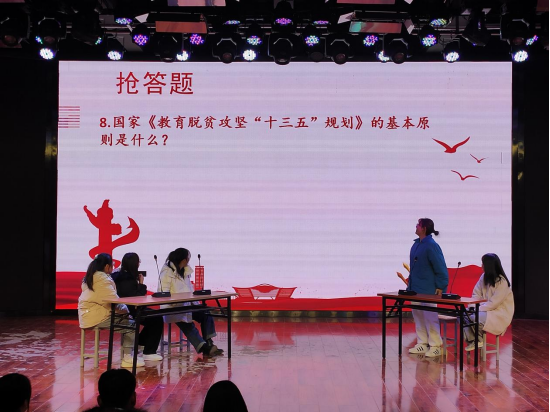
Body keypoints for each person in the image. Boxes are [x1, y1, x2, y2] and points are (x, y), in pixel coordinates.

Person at [78, 253, 144, 368]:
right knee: (132, 324)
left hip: (89, 314)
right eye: (112, 265)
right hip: (96, 316)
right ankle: (127, 358)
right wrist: (127, 313)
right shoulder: (102, 280)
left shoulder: (92, 276)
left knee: (127, 321)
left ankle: (129, 353)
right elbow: (114, 301)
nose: (113, 268)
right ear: (107, 266)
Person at [158, 248, 222, 356]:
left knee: (205, 313)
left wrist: (195, 301)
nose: (188, 261)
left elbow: (189, 289)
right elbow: (163, 294)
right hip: (173, 307)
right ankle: (204, 348)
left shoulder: (186, 271)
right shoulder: (166, 272)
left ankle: (209, 342)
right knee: (186, 323)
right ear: (183, 260)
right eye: (188, 258)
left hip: (187, 305)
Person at [406, 218, 449, 358]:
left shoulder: (431, 246)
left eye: (418, 225)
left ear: (424, 228)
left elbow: (440, 266)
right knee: (418, 316)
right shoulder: (416, 244)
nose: (416, 227)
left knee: (430, 317)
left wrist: (441, 285)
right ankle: (422, 343)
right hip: (415, 289)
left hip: (428, 289)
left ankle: (436, 345)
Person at [112, 252, 164, 361]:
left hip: (129, 308)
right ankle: (149, 351)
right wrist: (141, 284)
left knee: (156, 317)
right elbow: (136, 297)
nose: (139, 263)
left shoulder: (121, 275)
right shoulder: (125, 278)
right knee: (157, 319)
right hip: (129, 310)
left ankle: (140, 342)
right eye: (138, 261)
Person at [464, 253, 514, 351]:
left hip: (498, 313)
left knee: (473, 317)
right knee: (463, 315)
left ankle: (477, 340)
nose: (481, 266)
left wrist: (477, 309)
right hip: (484, 309)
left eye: (483, 263)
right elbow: (476, 294)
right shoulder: (483, 277)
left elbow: (493, 304)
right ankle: (474, 340)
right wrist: (473, 307)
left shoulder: (502, 282)